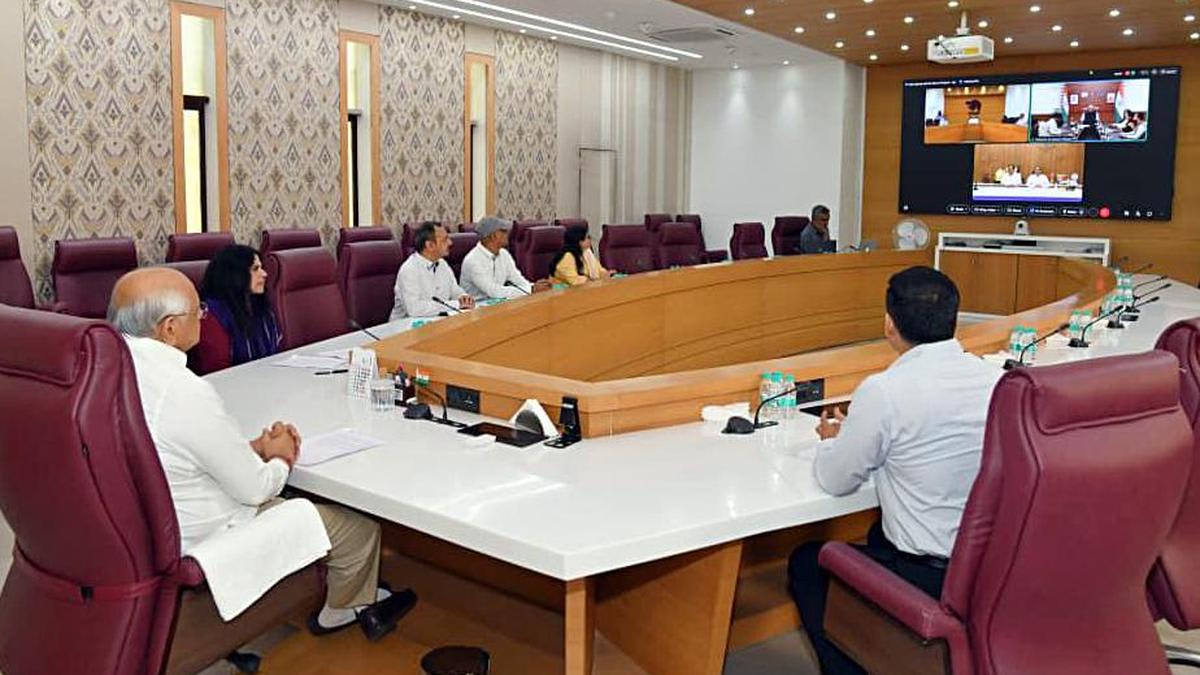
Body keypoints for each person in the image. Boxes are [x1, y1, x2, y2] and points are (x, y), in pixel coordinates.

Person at [107, 267, 417, 642]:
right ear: (169, 328)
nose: (204, 317)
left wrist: (251, 448)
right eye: (198, 311)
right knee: (360, 530)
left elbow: (172, 446)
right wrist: (281, 456)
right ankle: (343, 608)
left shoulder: (108, 372)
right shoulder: (181, 390)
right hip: (203, 533)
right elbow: (256, 490)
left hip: (140, 528)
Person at [787, 266, 1003, 675]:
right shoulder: (997, 381)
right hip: (987, 570)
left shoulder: (885, 391)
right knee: (875, 532)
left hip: (931, 578)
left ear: (889, 324)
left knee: (806, 562)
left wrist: (833, 438)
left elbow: (836, 481)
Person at [189, 245, 281, 375]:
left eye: (262, 268)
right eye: (255, 269)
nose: (264, 274)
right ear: (235, 274)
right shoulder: (211, 315)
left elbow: (277, 353)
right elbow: (217, 373)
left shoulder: (260, 307)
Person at [391, 221, 476, 320]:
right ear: (430, 245)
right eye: (445, 240)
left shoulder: (442, 264)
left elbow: (454, 289)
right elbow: (414, 309)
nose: (450, 243)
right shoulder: (409, 269)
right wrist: (456, 304)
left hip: (436, 320)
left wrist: (464, 297)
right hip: (404, 327)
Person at [459, 216, 551, 302]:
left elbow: (518, 280)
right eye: (503, 231)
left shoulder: (504, 254)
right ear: (493, 236)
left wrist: (534, 287)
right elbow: (493, 291)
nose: (508, 233)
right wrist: (531, 289)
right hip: (475, 309)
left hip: (497, 304)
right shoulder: (473, 261)